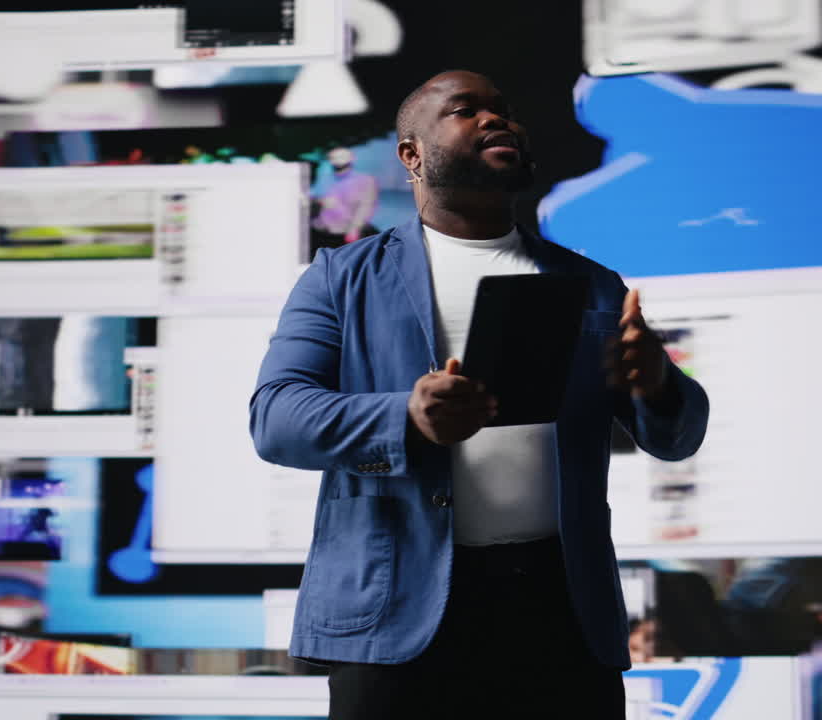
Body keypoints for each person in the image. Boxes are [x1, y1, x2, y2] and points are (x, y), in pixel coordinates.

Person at [249, 70, 709, 720]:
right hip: (393, 616)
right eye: (467, 111)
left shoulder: (594, 286)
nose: (500, 122)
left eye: (505, 111)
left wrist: (659, 384)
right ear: (410, 154)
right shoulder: (339, 279)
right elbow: (276, 418)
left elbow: (678, 435)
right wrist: (406, 417)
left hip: (560, 617)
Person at [309, 146, 380, 259]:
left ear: (352, 159)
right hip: (321, 232)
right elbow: (311, 198)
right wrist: (319, 201)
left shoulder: (365, 180)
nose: (337, 160)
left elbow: (366, 206)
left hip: (347, 234)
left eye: (341, 157)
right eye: (334, 157)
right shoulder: (324, 178)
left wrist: (355, 228)